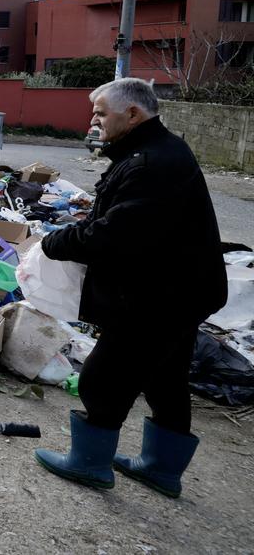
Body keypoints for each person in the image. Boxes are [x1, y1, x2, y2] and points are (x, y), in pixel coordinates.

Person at [33, 77, 226, 498]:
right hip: (180, 290)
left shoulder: (150, 163)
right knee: (165, 379)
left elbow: (115, 234)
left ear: (133, 114)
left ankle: (90, 465)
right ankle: (161, 468)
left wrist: (54, 242)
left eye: (101, 113)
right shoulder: (157, 151)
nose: (94, 120)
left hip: (156, 297)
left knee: (103, 378)